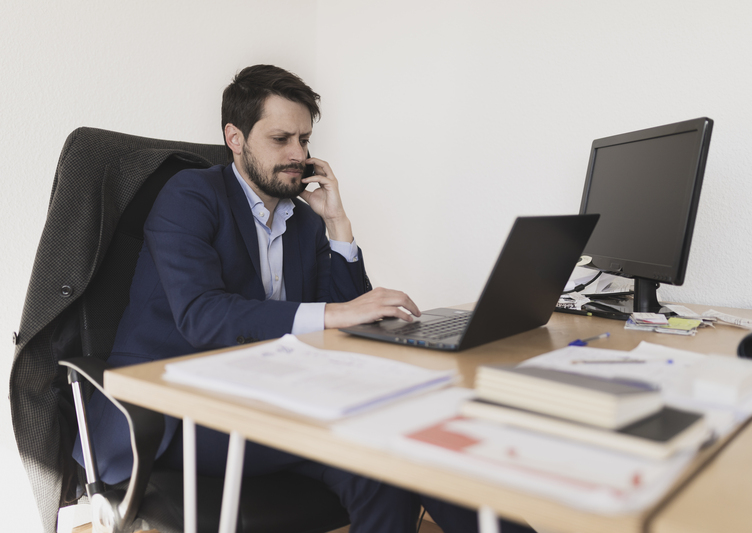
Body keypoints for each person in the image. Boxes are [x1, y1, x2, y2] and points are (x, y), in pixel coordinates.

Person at [74, 64, 534, 533]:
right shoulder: (190, 196)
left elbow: (348, 328)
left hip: (266, 397)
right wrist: (339, 313)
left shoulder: (304, 221)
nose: (298, 154)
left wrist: (338, 226)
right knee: (391, 442)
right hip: (169, 409)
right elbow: (202, 316)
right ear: (236, 138)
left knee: (404, 459)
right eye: (281, 139)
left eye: (305, 140)